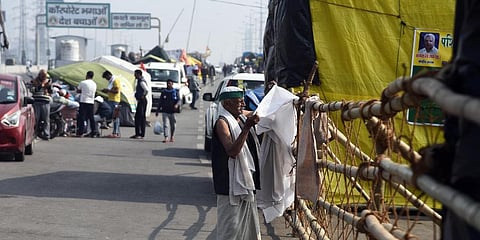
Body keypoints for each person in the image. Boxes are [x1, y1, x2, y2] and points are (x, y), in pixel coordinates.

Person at [211, 86, 262, 240]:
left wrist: (272, 94)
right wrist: (246, 129)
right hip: (229, 185)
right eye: (239, 102)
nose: (243, 105)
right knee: (230, 230)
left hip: (245, 184)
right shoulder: (222, 123)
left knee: (247, 230)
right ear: (227, 104)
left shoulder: (240, 117)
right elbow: (232, 152)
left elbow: (262, 112)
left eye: (242, 102)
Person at [31, 69, 52, 140]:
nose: (44, 78)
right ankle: (34, 134)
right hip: (36, 102)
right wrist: (42, 85)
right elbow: (33, 90)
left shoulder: (47, 82)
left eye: (45, 76)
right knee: (36, 119)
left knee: (46, 119)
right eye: (42, 76)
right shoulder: (34, 81)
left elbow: (50, 91)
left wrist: (48, 86)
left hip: (45, 102)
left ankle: (46, 134)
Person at [76, 71, 98, 138]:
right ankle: (94, 131)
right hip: (91, 102)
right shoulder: (94, 84)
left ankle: (81, 132)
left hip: (84, 101)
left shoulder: (83, 82)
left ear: (87, 75)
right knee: (91, 118)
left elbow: (78, 90)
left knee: (82, 117)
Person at [101, 70, 122, 138]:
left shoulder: (115, 80)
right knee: (115, 116)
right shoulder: (112, 81)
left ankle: (115, 132)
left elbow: (116, 91)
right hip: (112, 99)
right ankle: (116, 132)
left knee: (115, 116)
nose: (107, 79)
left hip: (115, 100)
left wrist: (108, 90)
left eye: (106, 78)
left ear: (108, 75)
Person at [131, 69, 149, 139]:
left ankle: (140, 134)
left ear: (138, 74)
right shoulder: (139, 81)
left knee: (140, 117)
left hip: (142, 101)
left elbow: (146, 89)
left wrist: (143, 95)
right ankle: (138, 133)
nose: (134, 75)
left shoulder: (141, 81)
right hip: (140, 100)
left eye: (135, 74)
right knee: (138, 117)